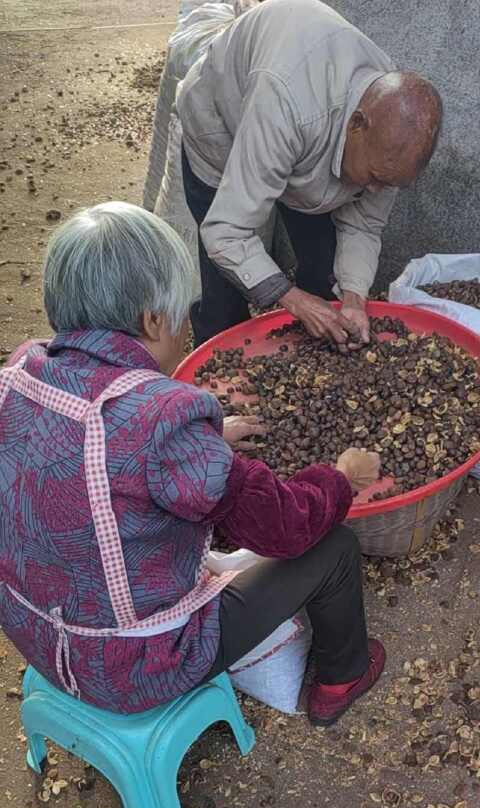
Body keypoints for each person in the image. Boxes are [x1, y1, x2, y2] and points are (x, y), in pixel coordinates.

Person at [0, 203, 384, 727]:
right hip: (135, 667)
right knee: (333, 546)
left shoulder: (18, 372)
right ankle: (343, 678)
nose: (184, 327)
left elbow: (85, 450)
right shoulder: (165, 419)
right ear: (153, 320)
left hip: (36, 634)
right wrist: (341, 477)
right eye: (183, 314)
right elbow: (288, 527)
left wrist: (206, 439)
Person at [178, 0, 442, 346]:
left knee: (325, 271)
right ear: (358, 125)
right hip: (221, 129)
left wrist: (354, 299)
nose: (377, 189)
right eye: (375, 176)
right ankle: (208, 387)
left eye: (390, 183)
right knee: (225, 295)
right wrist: (293, 299)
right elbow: (225, 233)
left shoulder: (389, 128)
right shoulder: (286, 104)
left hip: (303, 139)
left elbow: (363, 224)